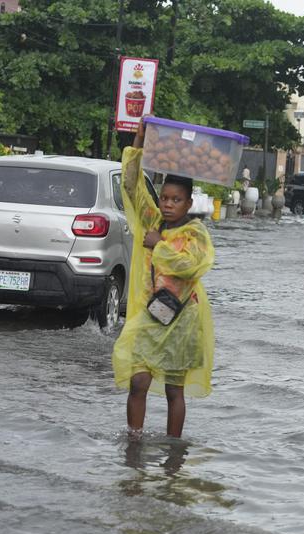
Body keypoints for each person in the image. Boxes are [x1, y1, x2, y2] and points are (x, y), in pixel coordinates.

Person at [113, 118, 216, 438]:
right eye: (165, 198)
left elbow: (192, 267)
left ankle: (174, 451)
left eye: (176, 199)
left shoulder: (195, 232)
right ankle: (133, 440)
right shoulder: (152, 219)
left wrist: (159, 247)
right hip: (151, 315)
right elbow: (131, 186)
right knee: (138, 381)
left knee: (175, 390)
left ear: (188, 202)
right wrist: (139, 140)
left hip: (183, 320)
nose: (168, 204)